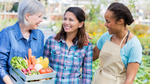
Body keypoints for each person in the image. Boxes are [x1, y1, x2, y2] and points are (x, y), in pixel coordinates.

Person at [92, 2, 142, 84]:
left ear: (120, 21)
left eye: (108, 21)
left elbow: (129, 80)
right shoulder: (106, 37)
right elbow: (92, 55)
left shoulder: (134, 45)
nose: (105, 24)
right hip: (98, 80)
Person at [44, 7, 93, 84]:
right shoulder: (51, 41)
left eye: (71, 20)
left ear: (80, 24)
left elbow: (87, 75)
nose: (66, 22)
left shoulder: (86, 46)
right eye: (65, 19)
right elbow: (43, 67)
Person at [0, 0, 45, 84]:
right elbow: (1, 66)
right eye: (39, 16)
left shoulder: (39, 35)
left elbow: (39, 65)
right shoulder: (7, 34)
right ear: (27, 16)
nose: (41, 20)